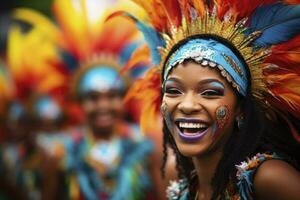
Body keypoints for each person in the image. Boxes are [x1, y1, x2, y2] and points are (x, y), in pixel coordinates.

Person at [115, 0, 300, 199]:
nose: (187, 105)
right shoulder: (180, 187)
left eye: (210, 93)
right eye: (174, 91)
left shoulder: (269, 178)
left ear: (241, 108)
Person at [12, 0, 163, 199]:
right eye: (93, 97)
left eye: (113, 96)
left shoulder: (145, 147)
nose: (103, 105)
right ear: (78, 100)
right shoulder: (59, 153)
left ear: (124, 98)